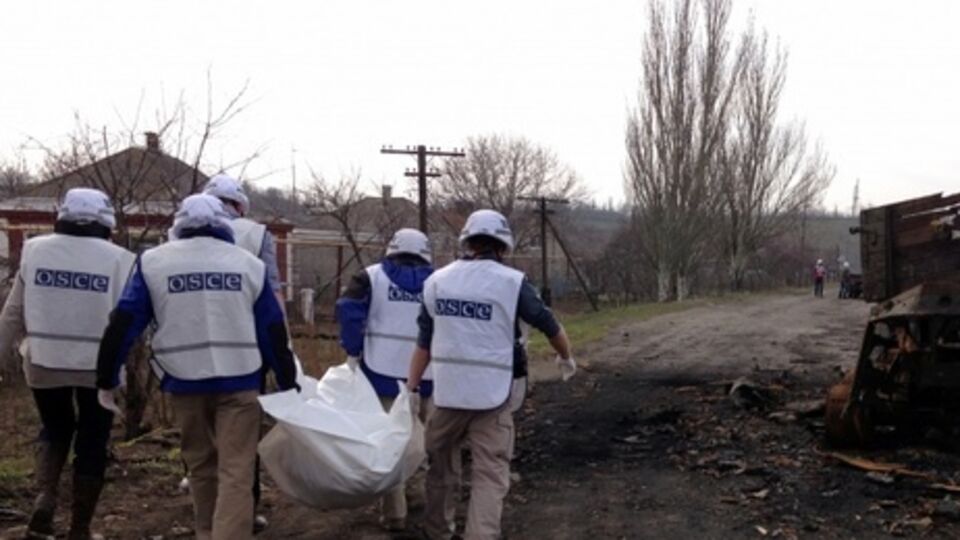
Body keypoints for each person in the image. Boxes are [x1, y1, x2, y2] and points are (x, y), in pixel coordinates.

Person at [96, 194, 298, 540]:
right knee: (237, 469)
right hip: (240, 379)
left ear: (179, 224)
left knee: (201, 464)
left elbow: (125, 322)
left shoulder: (154, 262)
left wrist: (106, 376)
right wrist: (286, 379)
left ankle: (206, 531)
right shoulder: (248, 264)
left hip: (183, 380)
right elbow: (272, 328)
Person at [406, 209, 576, 540]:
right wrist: (566, 356)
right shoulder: (513, 284)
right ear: (503, 245)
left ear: (467, 241)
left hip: (447, 396)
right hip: (493, 397)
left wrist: (412, 387)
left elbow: (423, 343)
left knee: (441, 467)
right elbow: (549, 324)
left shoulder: (436, 282)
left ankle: (438, 530)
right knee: (490, 473)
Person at [0, 188, 135, 540]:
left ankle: (45, 501)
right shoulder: (120, 259)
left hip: (43, 362)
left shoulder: (35, 250)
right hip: (98, 369)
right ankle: (80, 527)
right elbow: (128, 319)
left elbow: (13, 312)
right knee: (93, 439)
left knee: (55, 428)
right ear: (106, 222)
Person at [335, 228, 434, 532]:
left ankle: (395, 514)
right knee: (423, 438)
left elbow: (348, 312)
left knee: (390, 443)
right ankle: (420, 494)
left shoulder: (369, 276)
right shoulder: (439, 281)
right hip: (428, 374)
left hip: (381, 374)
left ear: (391, 249)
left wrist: (353, 351)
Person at [202, 173, 283, 533]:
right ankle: (242, 514)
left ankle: (206, 516)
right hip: (246, 352)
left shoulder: (177, 234)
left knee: (200, 442)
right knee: (241, 441)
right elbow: (274, 292)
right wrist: (283, 350)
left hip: (186, 353)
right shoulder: (256, 234)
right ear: (240, 204)